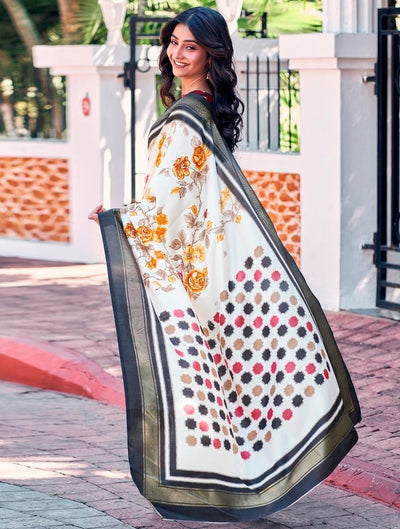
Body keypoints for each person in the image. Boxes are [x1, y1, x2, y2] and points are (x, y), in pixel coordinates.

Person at [89, 6, 360, 523]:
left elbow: (166, 201)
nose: (176, 52)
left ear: (211, 55)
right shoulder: (202, 106)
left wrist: (118, 218)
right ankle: (245, 471)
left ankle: (230, 478)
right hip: (211, 257)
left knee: (202, 364)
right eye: (174, 42)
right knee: (228, 368)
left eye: (190, 46)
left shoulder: (189, 116)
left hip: (200, 264)